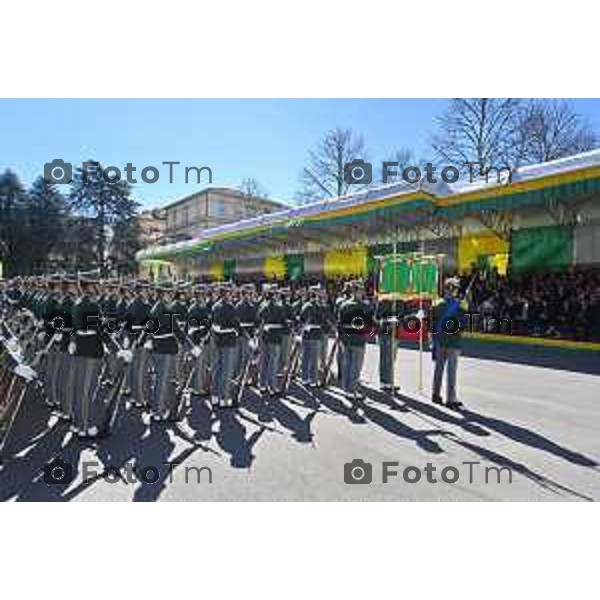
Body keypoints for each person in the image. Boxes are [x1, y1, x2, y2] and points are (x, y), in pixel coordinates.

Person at [430, 276, 467, 410]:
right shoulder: (461, 305)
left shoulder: (437, 304)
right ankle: (451, 399)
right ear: (455, 290)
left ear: (445, 290)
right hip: (454, 341)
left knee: (438, 368)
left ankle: (435, 394)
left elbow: (432, 323)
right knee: (451, 371)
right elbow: (463, 325)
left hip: (440, 340)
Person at [337, 281, 373, 401]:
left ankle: (346, 389)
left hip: (346, 338)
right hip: (358, 338)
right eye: (361, 290)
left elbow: (340, 324)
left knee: (347, 364)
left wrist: (341, 338)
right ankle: (352, 390)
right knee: (356, 366)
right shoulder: (364, 306)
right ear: (357, 291)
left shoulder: (344, 305)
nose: (362, 292)